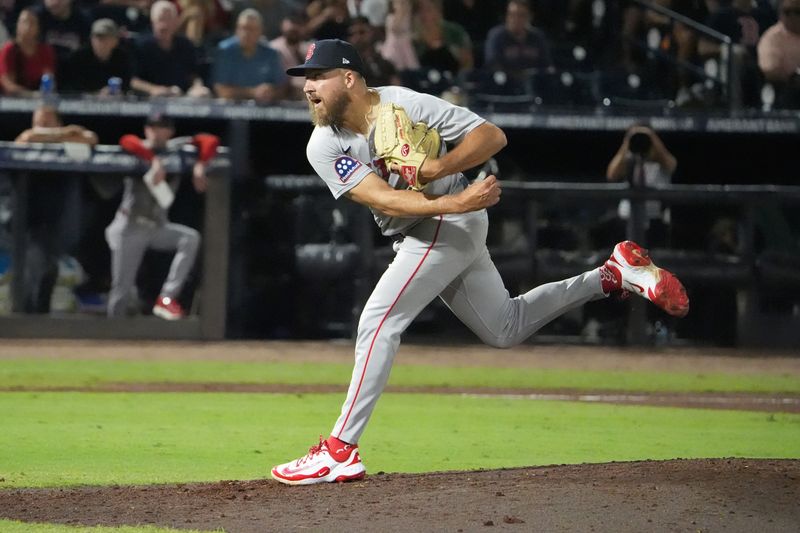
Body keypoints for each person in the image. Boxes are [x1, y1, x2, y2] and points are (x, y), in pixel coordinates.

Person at [270, 39, 689, 485]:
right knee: (504, 327)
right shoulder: (322, 145)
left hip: (446, 223)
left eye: (318, 76)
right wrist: (448, 197)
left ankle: (340, 450)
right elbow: (385, 197)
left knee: (378, 321)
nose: (307, 87)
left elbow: (492, 136)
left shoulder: (403, 103)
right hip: (439, 218)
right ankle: (610, 275)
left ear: (349, 78)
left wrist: (441, 172)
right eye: (305, 78)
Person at [106, 112, 219, 319]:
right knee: (121, 291)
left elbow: (209, 140)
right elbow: (126, 140)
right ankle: (110, 340)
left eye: (161, 127)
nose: (156, 132)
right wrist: (153, 161)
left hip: (157, 226)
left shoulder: (177, 149)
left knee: (190, 238)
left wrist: (201, 164)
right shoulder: (140, 148)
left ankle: (166, 299)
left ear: (170, 131)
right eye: (152, 127)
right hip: (129, 226)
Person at [14, 104, 98, 313]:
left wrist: (56, 135)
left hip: (59, 217)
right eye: (38, 122)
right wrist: (62, 133)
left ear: (58, 122)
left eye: (46, 121)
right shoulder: (32, 137)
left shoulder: (69, 140)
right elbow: (26, 138)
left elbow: (91, 138)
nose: (41, 126)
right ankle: (23, 316)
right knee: (31, 267)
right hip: (28, 217)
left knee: (50, 268)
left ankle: (41, 315)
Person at [604, 124, 677, 247]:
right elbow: (612, 175)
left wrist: (650, 136)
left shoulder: (662, 163)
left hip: (653, 220)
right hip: (626, 218)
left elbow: (671, 165)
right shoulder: (629, 160)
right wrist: (628, 141)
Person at [130, 0, 212, 97]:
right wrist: (154, 89)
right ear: (152, 22)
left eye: (168, 19)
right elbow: (133, 80)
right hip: (148, 102)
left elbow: (193, 74)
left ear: (176, 22)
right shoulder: (140, 45)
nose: (164, 25)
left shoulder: (185, 45)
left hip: (181, 100)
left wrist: (197, 87)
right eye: (160, 19)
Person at [212, 8, 286, 102]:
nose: (246, 33)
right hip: (230, 110)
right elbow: (221, 90)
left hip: (264, 110)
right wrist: (253, 92)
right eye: (243, 28)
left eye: (251, 29)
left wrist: (271, 91)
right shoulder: (225, 51)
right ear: (236, 29)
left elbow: (282, 88)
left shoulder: (271, 54)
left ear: (261, 31)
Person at [61, 18, 133, 94]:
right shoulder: (78, 58)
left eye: (106, 38)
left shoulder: (123, 58)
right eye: (98, 37)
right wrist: (96, 94)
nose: (101, 42)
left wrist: (114, 91)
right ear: (91, 39)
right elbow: (70, 87)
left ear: (116, 41)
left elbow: (126, 84)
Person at [484, 0, 553, 75]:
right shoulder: (497, 36)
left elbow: (546, 65)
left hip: (533, 83)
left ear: (530, 17)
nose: (515, 19)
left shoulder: (537, 37)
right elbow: (493, 64)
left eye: (521, 15)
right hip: (506, 83)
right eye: (512, 15)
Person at [0, 8, 56, 95]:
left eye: (32, 23)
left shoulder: (45, 50)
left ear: (38, 28)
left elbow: (48, 79)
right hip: (11, 100)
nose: (27, 26)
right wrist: (30, 94)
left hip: (39, 98)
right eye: (24, 22)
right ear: (17, 25)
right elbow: (8, 85)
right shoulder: (9, 50)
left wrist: (44, 93)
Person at [758, 0, 800, 108]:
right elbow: (770, 70)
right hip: (787, 87)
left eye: (797, 12)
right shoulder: (772, 37)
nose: (792, 16)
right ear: (780, 13)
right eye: (787, 12)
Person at [34, 0, 91, 70]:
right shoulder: (36, 18)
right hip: (43, 70)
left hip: (74, 71)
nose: (54, 2)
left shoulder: (83, 21)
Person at [346, 15, 400, 86]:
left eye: (362, 32)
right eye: (352, 34)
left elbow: (397, 86)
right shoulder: (348, 65)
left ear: (371, 32)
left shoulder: (385, 60)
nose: (357, 37)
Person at [269, 13, 310, 100]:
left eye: (297, 28)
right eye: (291, 31)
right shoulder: (274, 48)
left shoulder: (307, 48)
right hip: (281, 92)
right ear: (283, 27)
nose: (294, 30)